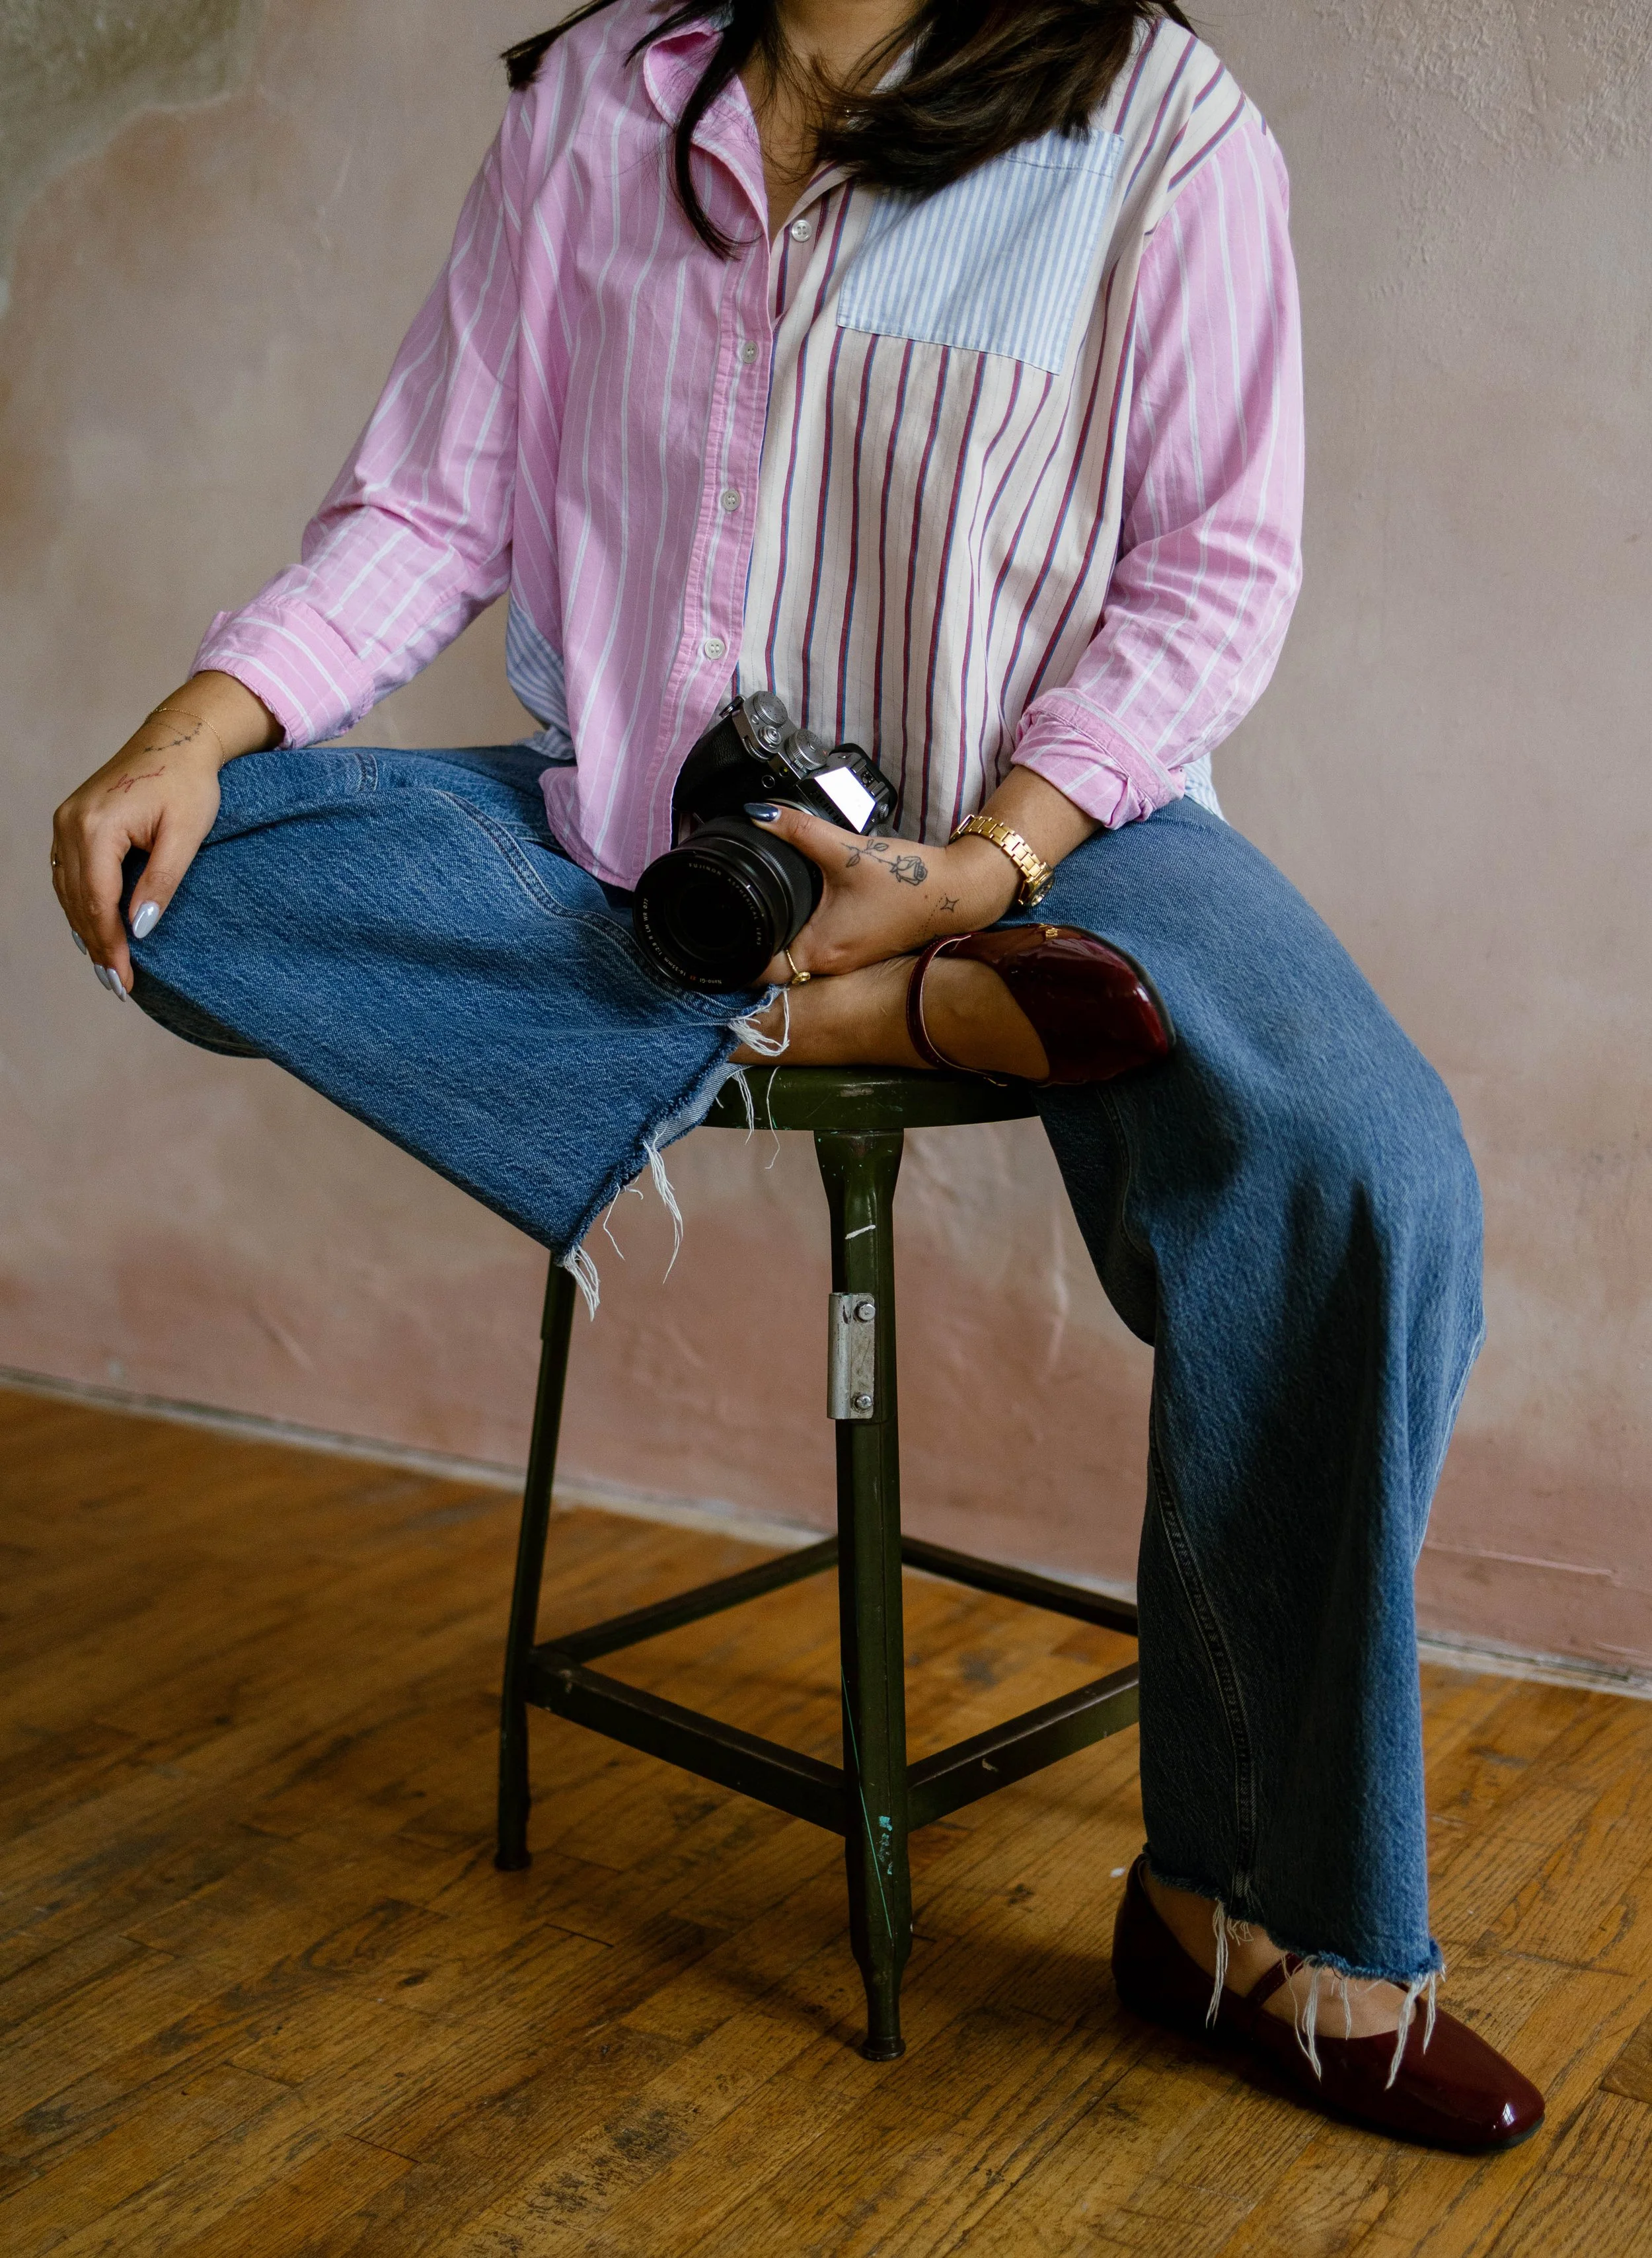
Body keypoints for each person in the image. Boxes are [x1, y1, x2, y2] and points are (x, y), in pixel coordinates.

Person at [49, 0, 1543, 2148]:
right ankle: (809, 1009)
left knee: (1365, 1164)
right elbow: (428, 503)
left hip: (1062, 844)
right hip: (656, 863)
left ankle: (1260, 1919)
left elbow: (1210, 573)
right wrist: (193, 727)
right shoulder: (603, 104)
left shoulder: (1157, 128)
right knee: (196, 886)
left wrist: (978, 864)